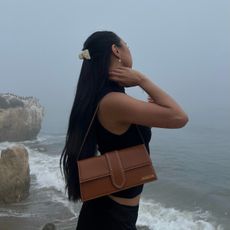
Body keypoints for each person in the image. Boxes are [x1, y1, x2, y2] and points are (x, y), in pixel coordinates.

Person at [60, 31, 189, 230]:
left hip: (112, 212)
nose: (129, 47)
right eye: (126, 43)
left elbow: (124, 136)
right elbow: (180, 117)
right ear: (116, 50)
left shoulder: (108, 96)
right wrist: (142, 80)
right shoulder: (113, 101)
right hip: (110, 218)